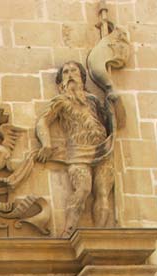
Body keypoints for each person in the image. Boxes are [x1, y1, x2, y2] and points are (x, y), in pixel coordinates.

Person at [35, 61, 115, 235]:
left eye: (74, 71)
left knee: (102, 193)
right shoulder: (61, 101)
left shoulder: (93, 101)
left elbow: (113, 122)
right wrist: (46, 143)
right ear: (60, 82)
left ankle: (100, 234)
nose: (70, 75)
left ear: (82, 78)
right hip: (78, 151)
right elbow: (43, 121)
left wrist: (114, 99)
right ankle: (69, 229)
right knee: (83, 189)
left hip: (103, 149)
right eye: (65, 72)